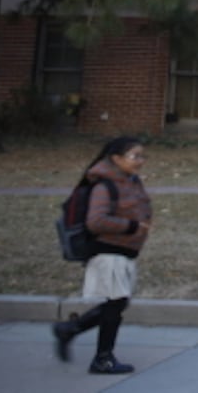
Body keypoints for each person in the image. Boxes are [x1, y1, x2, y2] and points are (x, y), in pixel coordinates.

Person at [52, 136, 152, 374]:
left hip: (124, 252)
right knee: (115, 304)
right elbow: (96, 221)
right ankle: (102, 358)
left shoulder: (130, 181)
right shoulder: (103, 185)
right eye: (135, 156)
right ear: (116, 158)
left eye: (142, 156)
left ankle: (70, 329)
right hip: (109, 251)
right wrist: (132, 227)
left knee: (117, 303)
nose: (140, 161)